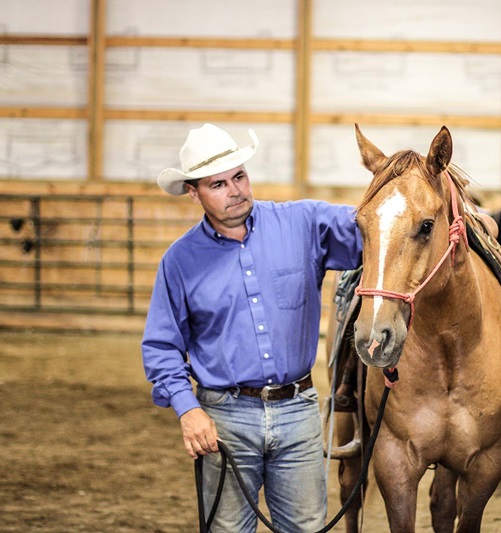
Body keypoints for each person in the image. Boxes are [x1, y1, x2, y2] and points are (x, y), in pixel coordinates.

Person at [141, 123, 362, 532]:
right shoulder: (180, 261)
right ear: (194, 192)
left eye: (239, 176)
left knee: (306, 528)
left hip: (297, 409)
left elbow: (376, 229)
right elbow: (160, 346)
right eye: (218, 184)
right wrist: (187, 410)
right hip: (224, 417)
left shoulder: (304, 223)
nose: (235, 190)